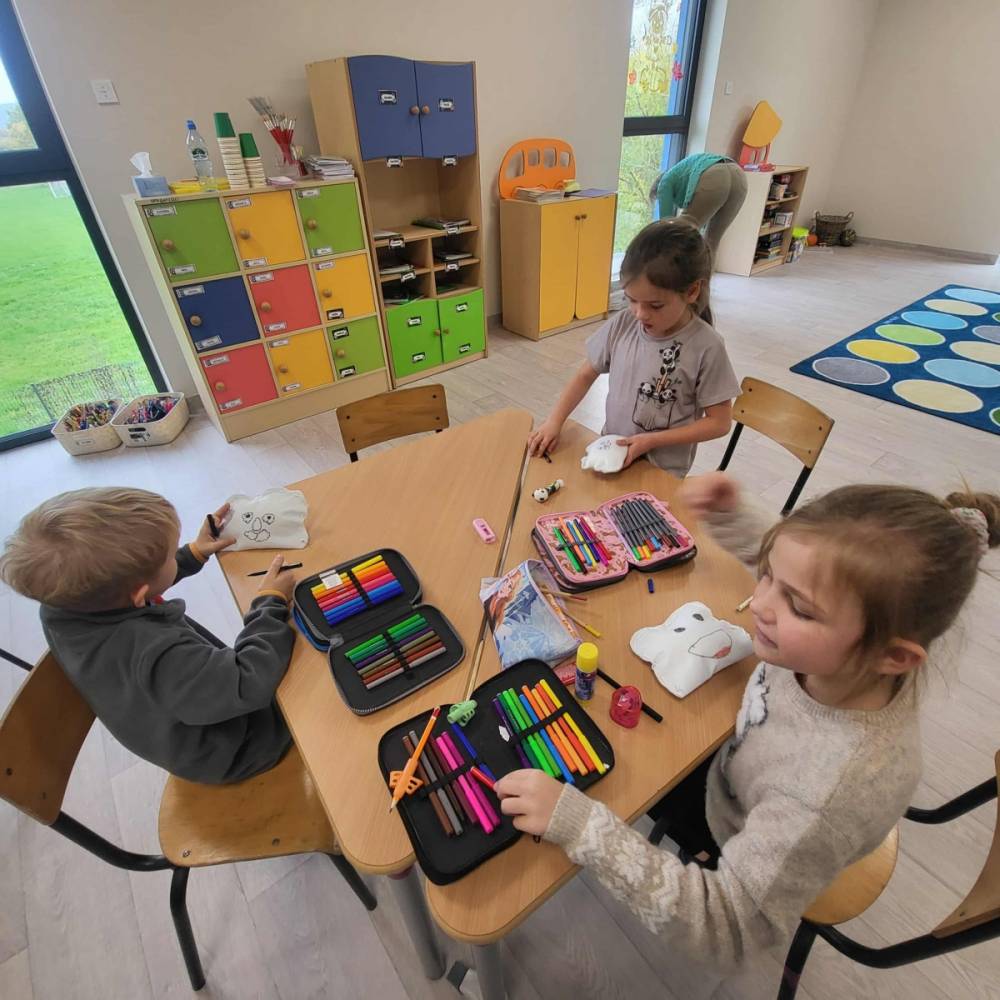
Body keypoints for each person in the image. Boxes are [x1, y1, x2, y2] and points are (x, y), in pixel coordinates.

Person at [494, 473, 999, 965]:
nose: (758, 602)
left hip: (737, 830)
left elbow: (727, 926)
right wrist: (732, 514)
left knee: (618, 780)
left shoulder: (827, 793)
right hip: (739, 767)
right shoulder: (856, 653)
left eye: (798, 608)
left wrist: (582, 827)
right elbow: (812, 572)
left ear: (894, 656)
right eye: (768, 576)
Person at [0, 487, 298, 784]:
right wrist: (268, 603)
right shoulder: (156, 654)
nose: (175, 555)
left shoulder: (61, 610)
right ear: (139, 593)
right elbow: (248, 681)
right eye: (170, 555)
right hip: (246, 745)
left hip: (198, 715)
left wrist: (192, 554)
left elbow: (127, 587)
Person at [527, 219, 739, 477]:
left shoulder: (707, 346)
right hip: (611, 451)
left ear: (692, 291)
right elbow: (585, 374)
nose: (639, 314)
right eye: (631, 300)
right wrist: (554, 421)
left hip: (661, 471)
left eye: (655, 306)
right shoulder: (624, 323)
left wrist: (651, 441)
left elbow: (719, 423)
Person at [652, 152, 748, 258]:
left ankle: (670, 267)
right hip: (739, 175)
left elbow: (665, 225)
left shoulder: (665, 181)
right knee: (711, 242)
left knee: (683, 230)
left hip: (716, 173)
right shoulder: (681, 174)